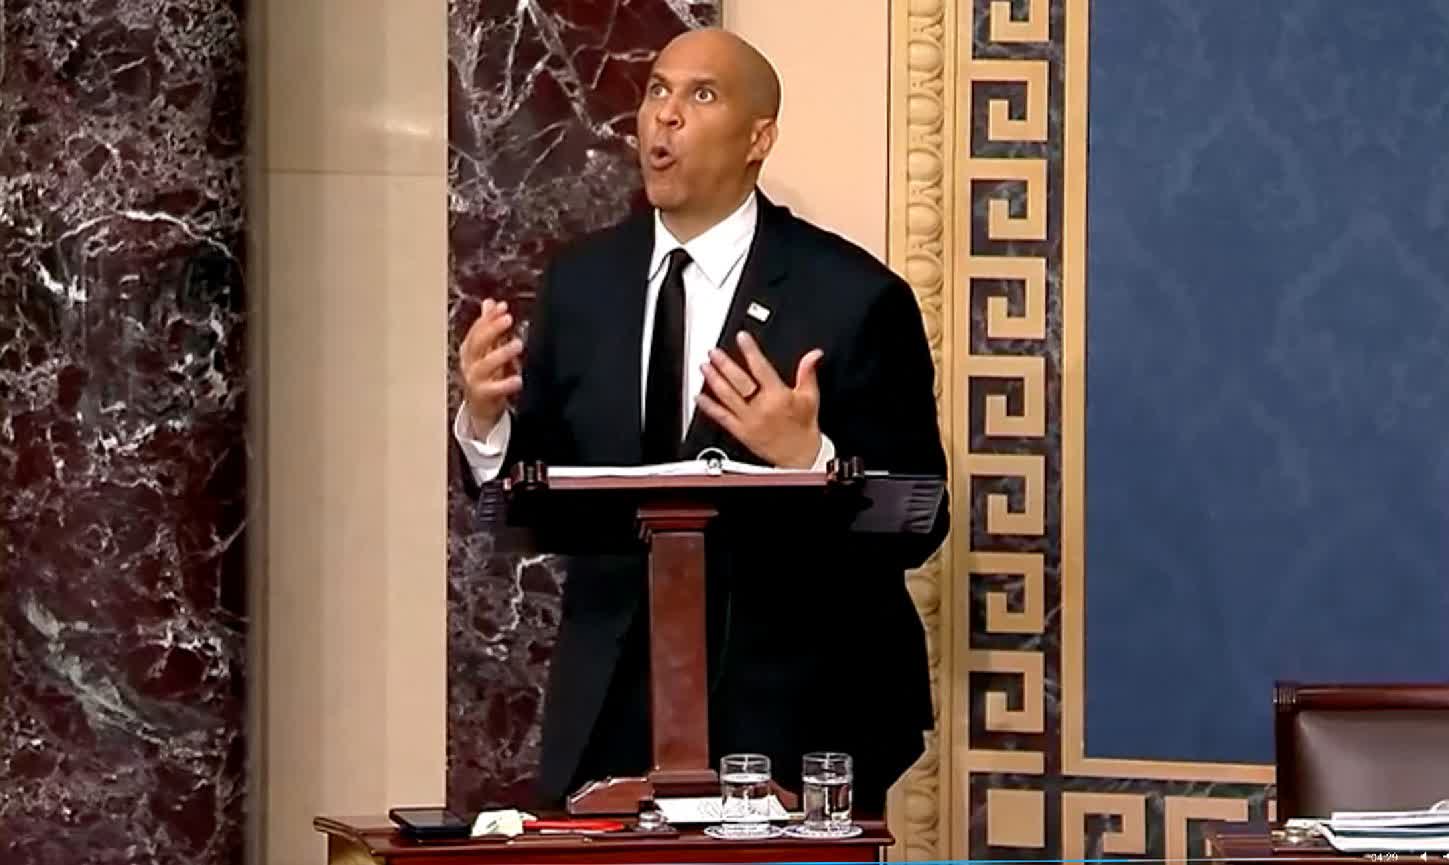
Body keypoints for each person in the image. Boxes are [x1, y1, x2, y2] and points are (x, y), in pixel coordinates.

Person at [453, 27, 948, 813]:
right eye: (657, 89)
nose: (666, 114)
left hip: (799, 715)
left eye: (701, 95)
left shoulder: (853, 298)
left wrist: (809, 458)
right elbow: (539, 496)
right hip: (613, 713)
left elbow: (920, 520)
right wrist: (486, 426)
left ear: (759, 139)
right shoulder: (580, 285)